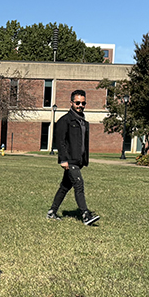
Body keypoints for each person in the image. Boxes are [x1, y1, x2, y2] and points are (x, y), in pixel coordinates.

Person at [47, 89, 99, 225]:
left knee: (65, 186)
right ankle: (85, 215)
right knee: (78, 184)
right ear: (71, 103)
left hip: (78, 160)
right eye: (77, 103)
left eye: (83, 103)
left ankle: (52, 212)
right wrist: (63, 160)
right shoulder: (65, 120)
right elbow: (61, 141)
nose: (80, 105)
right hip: (69, 160)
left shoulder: (83, 122)